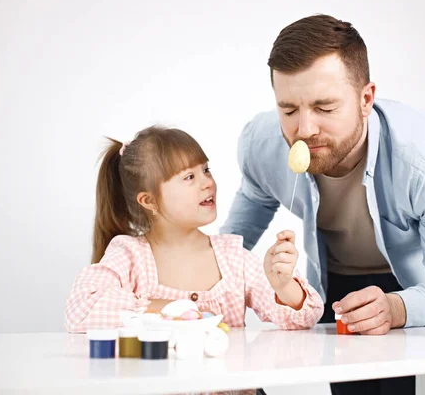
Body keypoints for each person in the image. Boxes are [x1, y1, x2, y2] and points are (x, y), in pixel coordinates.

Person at [220, 14, 425, 395]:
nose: (304, 129)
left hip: (406, 289)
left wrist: (396, 308)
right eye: (289, 110)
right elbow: (227, 250)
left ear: (366, 98)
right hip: (328, 281)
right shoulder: (262, 144)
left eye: (324, 108)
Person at [65, 126, 323, 344]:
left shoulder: (232, 257)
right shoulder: (129, 256)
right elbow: (82, 310)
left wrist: (283, 286)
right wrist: (168, 309)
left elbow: (306, 318)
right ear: (149, 200)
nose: (207, 182)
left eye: (206, 169)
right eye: (189, 176)